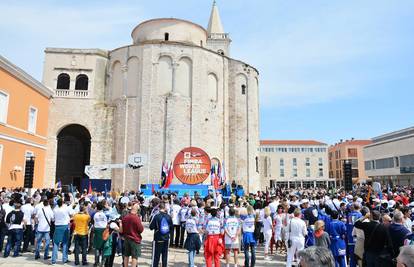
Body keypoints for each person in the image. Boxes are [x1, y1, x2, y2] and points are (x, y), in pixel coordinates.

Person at [149, 202, 173, 267]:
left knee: (156, 256)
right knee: (165, 256)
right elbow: (171, 228)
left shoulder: (156, 216)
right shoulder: (168, 217)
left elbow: (151, 227)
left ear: (159, 208)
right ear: (164, 208)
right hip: (166, 238)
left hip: (158, 238)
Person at [52, 198, 73, 264]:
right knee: (65, 243)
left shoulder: (55, 209)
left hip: (57, 227)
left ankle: (53, 260)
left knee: (56, 243)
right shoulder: (66, 208)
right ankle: (64, 259)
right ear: (63, 202)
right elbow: (72, 214)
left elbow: (52, 219)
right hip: (65, 226)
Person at [345, 203, 362, 267]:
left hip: (351, 238)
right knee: (360, 257)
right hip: (358, 238)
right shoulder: (360, 215)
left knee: (352, 257)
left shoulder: (349, 215)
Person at [93, 202, 108, 267]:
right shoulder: (105, 214)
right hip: (104, 230)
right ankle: (103, 263)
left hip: (97, 230)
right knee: (104, 247)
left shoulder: (95, 214)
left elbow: (93, 222)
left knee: (97, 247)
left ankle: (96, 262)